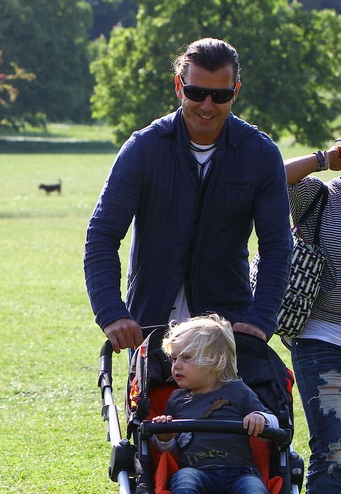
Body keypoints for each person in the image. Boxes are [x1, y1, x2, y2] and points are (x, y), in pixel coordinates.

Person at [84, 38, 292, 352]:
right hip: (149, 329)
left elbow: (277, 244)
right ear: (179, 87)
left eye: (220, 95)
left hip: (226, 330)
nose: (207, 105)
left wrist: (261, 318)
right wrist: (111, 312)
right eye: (196, 93)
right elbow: (102, 234)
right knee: (151, 405)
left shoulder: (260, 154)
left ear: (235, 92)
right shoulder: (144, 148)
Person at [151, 314, 278, 494]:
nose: (176, 365)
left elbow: (273, 423)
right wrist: (164, 437)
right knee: (184, 478)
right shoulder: (176, 399)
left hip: (241, 472)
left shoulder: (238, 391)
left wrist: (260, 418)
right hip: (196, 471)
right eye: (173, 358)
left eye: (186, 357)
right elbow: (168, 450)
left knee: (254, 488)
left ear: (216, 361)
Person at [284, 143, 341, 493]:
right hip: (321, 337)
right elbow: (269, 178)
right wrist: (323, 160)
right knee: (334, 450)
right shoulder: (317, 196)